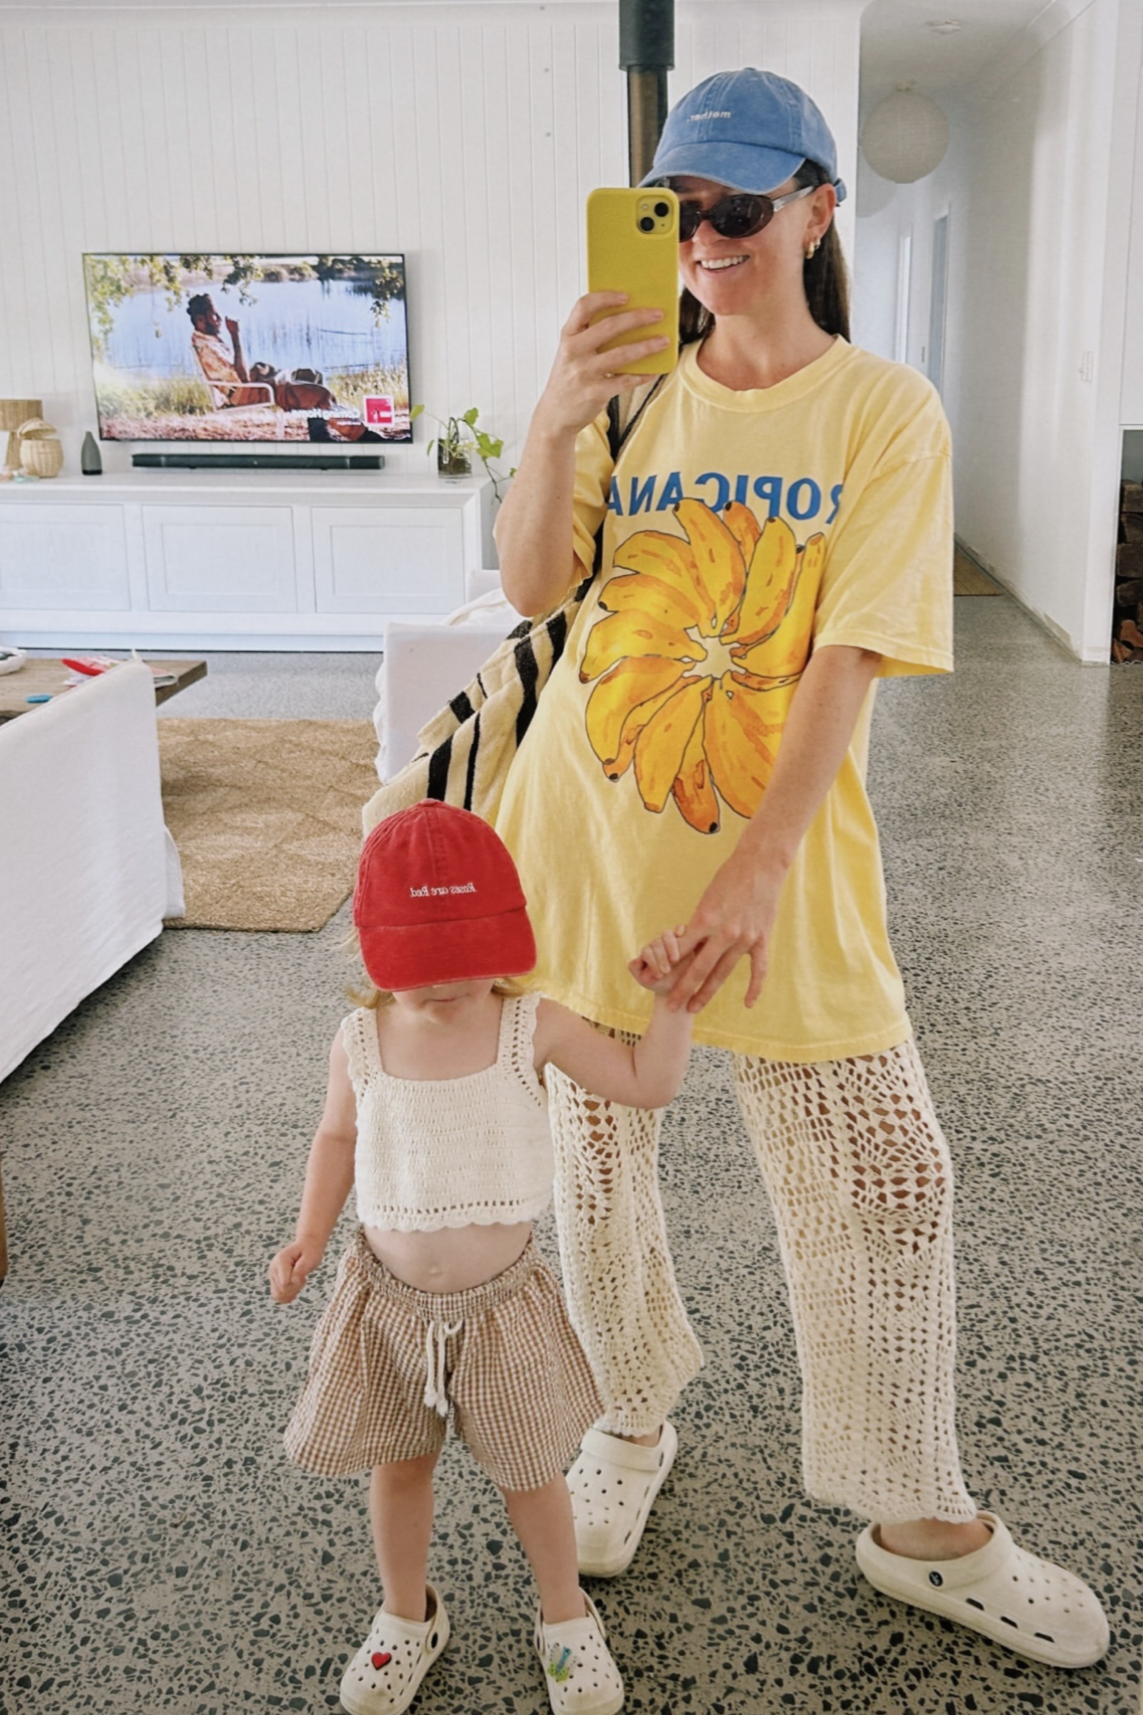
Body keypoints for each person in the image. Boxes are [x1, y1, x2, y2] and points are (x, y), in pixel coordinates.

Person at [490, 67, 1110, 1671]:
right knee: (594, 1168)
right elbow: (534, 585)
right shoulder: (630, 388)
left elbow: (849, 652)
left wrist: (755, 871)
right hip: (580, 829)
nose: (699, 243)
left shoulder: (880, 410)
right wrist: (554, 416)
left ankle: (918, 1517)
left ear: (816, 206)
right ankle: (625, 1419)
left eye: (735, 210)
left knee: (885, 1174)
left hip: (773, 860)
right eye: (674, 211)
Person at [269, 799, 694, 1715]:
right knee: (398, 1466)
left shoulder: (527, 1025)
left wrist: (670, 1005)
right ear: (372, 954)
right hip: (383, 1308)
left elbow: (644, 1083)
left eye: (466, 967)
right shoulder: (358, 1041)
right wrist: (308, 1232)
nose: (448, 992)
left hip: (506, 1309)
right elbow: (336, 1138)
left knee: (532, 1470)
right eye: (424, 976)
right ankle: (405, 1612)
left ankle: (565, 1615)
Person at [186, 293, 381, 439]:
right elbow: (243, 379)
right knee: (319, 394)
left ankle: (320, 435)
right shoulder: (206, 347)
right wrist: (235, 336)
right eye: (215, 316)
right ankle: (366, 438)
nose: (219, 319)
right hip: (247, 392)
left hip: (254, 382)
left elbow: (238, 373)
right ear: (201, 320)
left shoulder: (208, 339)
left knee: (312, 375)